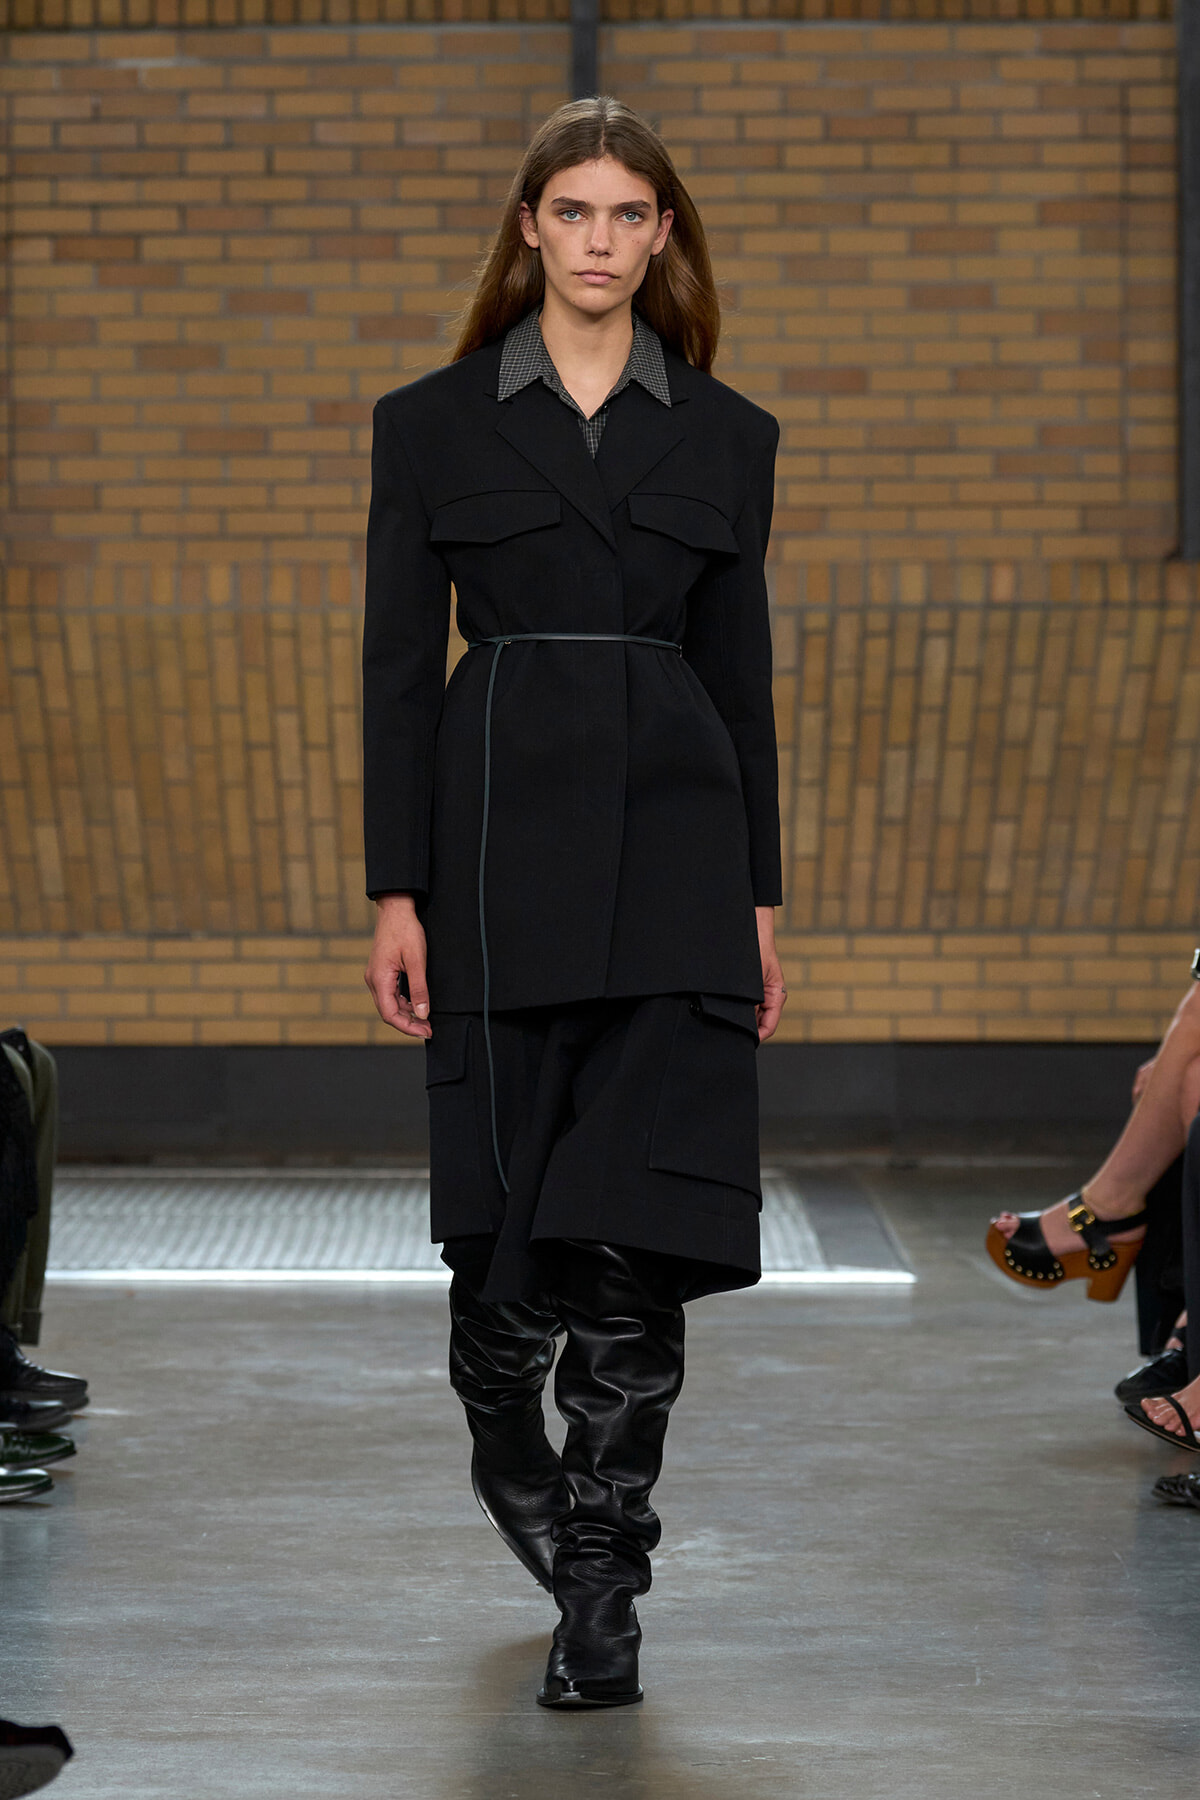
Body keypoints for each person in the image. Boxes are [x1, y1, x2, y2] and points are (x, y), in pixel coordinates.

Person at [362, 96, 785, 1708]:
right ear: (528, 226)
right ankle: (507, 1449)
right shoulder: (433, 424)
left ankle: (603, 1590)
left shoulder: (730, 438)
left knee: (638, 1243)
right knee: (504, 1253)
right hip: (489, 859)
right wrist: (393, 889)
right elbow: (401, 672)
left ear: (661, 234)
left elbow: (741, 688)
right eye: (574, 212)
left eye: (630, 215)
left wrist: (758, 902)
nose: (601, 241)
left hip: (677, 865)